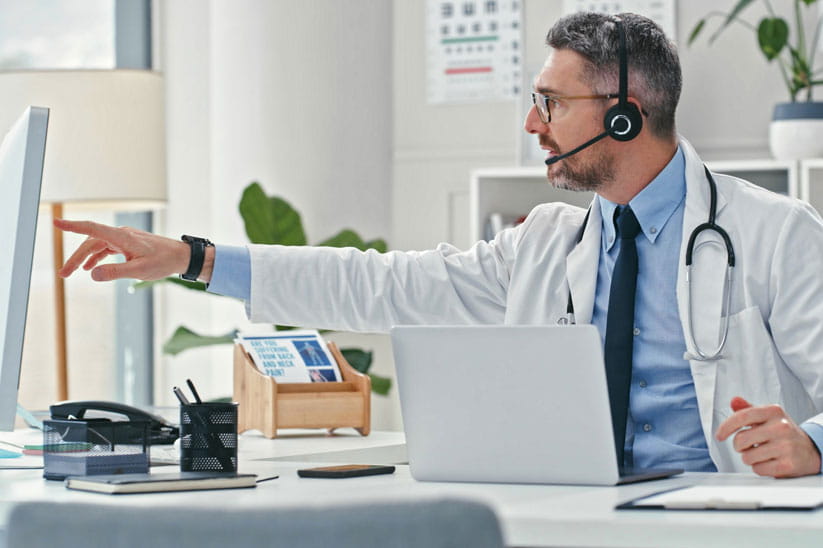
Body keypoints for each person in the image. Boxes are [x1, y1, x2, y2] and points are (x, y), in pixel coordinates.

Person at [55, 12, 823, 478]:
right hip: (578, 517)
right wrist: (194, 259)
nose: (532, 125)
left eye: (550, 103)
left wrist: (812, 447)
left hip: (724, 520)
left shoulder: (776, 235)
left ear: (623, 115)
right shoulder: (546, 245)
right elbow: (380, 285)